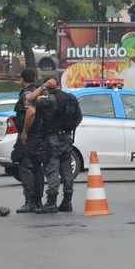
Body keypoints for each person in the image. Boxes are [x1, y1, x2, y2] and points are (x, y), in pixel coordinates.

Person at [14, 69, 56, 213]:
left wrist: (25, 132)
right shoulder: (42, 94)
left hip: (30, 136)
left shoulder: (27, 93)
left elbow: (30, 111)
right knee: (38, 169)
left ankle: (30, 201)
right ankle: (38, 201)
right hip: (42, 136)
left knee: (26, 167)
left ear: (22, 78)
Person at [44, 78, 80, 212]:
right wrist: (69, 129)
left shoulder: (49, 100)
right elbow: (79, 117)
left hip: (53, 137)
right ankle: (67, 201)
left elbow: (30, 101)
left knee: (52, 169)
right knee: (66, 171)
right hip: (67, 137)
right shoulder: (71, 98)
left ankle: (51, 202)